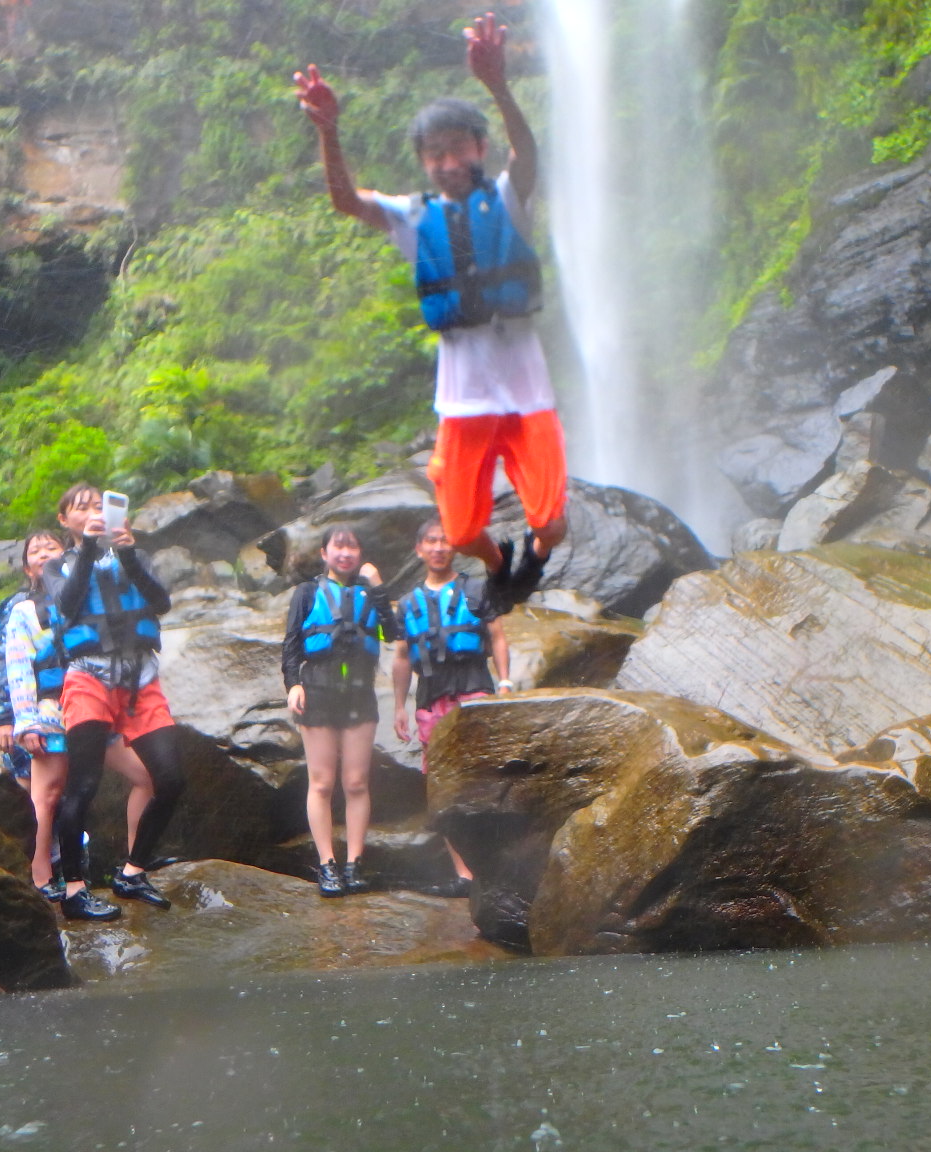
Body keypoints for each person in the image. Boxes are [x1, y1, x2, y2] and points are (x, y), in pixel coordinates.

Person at [295, 11, 565, 608]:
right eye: (434, 154)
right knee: (463, 533)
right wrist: (329, 130)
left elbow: (528, 154)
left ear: (479, 149)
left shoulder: (507, 197)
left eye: (458, 149)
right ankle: (499, 565)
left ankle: (535, 557)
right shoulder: (415, 217)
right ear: (423, 162)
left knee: (551, 522)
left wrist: (498, 85)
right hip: (464, 399)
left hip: (527, 393)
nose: (447, 163)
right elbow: (346, 200)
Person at [41, 483, 188, 921]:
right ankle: (74, 890)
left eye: (97, 506)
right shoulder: (56, 566)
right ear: (64, 520)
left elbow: (160, 602)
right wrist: (88, 548)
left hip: (140, 678)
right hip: (89, 677)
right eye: (80, 508)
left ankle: (132, 872)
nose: (91, 512)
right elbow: (67, 605)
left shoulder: (134, 554)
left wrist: (127, 554)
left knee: (171, 779)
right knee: (83, 786)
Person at [0, 529, 157, 902]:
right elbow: (17, 669)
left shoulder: (89, 599)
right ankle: (42, 879)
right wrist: (25, 722)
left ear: (65, 555)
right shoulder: (23, 612)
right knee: (47, 795)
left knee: (145, 776)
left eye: (50, 547)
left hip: (96, 704)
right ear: (27, 569)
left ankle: (135, 865)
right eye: (34, 551)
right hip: (51, 710)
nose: (43, 553)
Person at [391, 517, 511, 897]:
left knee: (483, 777)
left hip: (474, 687)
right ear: (419, 549)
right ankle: (464, 874)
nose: (439, 547)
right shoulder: (407, 604)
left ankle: (493, 864)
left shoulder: (477, 589)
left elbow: (497, 636)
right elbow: (402, 657)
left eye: (445, 540)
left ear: (454, 547)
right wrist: (399, 706)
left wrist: (505, 682)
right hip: (431, 696)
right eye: (431, 541)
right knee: (442, 783)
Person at [281, 526, 396, 897]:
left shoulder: (369, 593)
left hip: (359, 697)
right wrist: (293, 684)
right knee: (322, 782)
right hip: (318, 693)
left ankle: (355, 863)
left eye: (352, 546)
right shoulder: (307, 593)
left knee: (357, 782)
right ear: (324, 553)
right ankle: (328, 863)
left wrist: (378, 586)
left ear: (360, 553)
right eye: (338, 546)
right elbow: (291, 644)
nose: (345, 553)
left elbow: (391, 632)